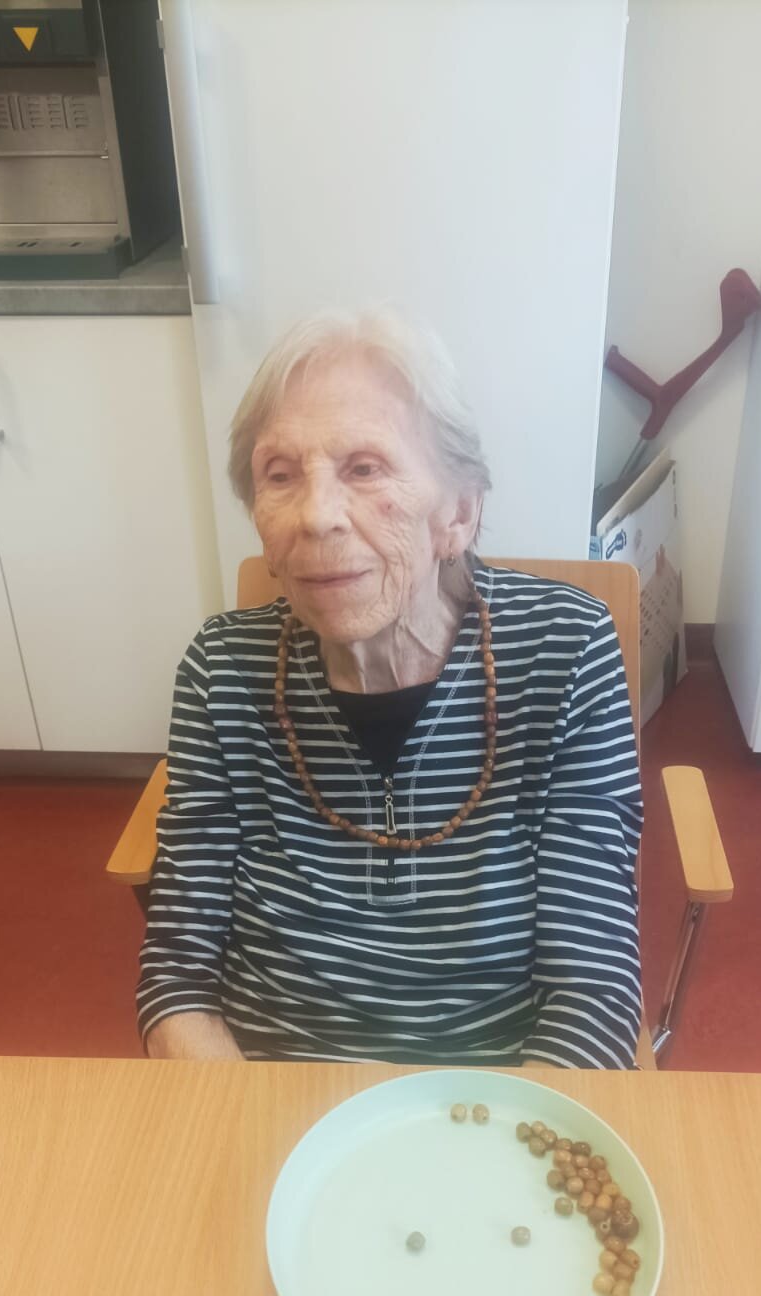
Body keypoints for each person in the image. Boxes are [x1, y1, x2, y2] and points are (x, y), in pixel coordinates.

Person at [138, 310, 643, 1068]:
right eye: (280, 475)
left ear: (459, 513)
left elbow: (593, 988)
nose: (316, 516)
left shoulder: (565, 651)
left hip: (495, 1090)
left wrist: (511, 1133)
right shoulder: (223, 671)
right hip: (266, 1089)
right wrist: (242, 1126)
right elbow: (177, 979)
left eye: (365, 468)